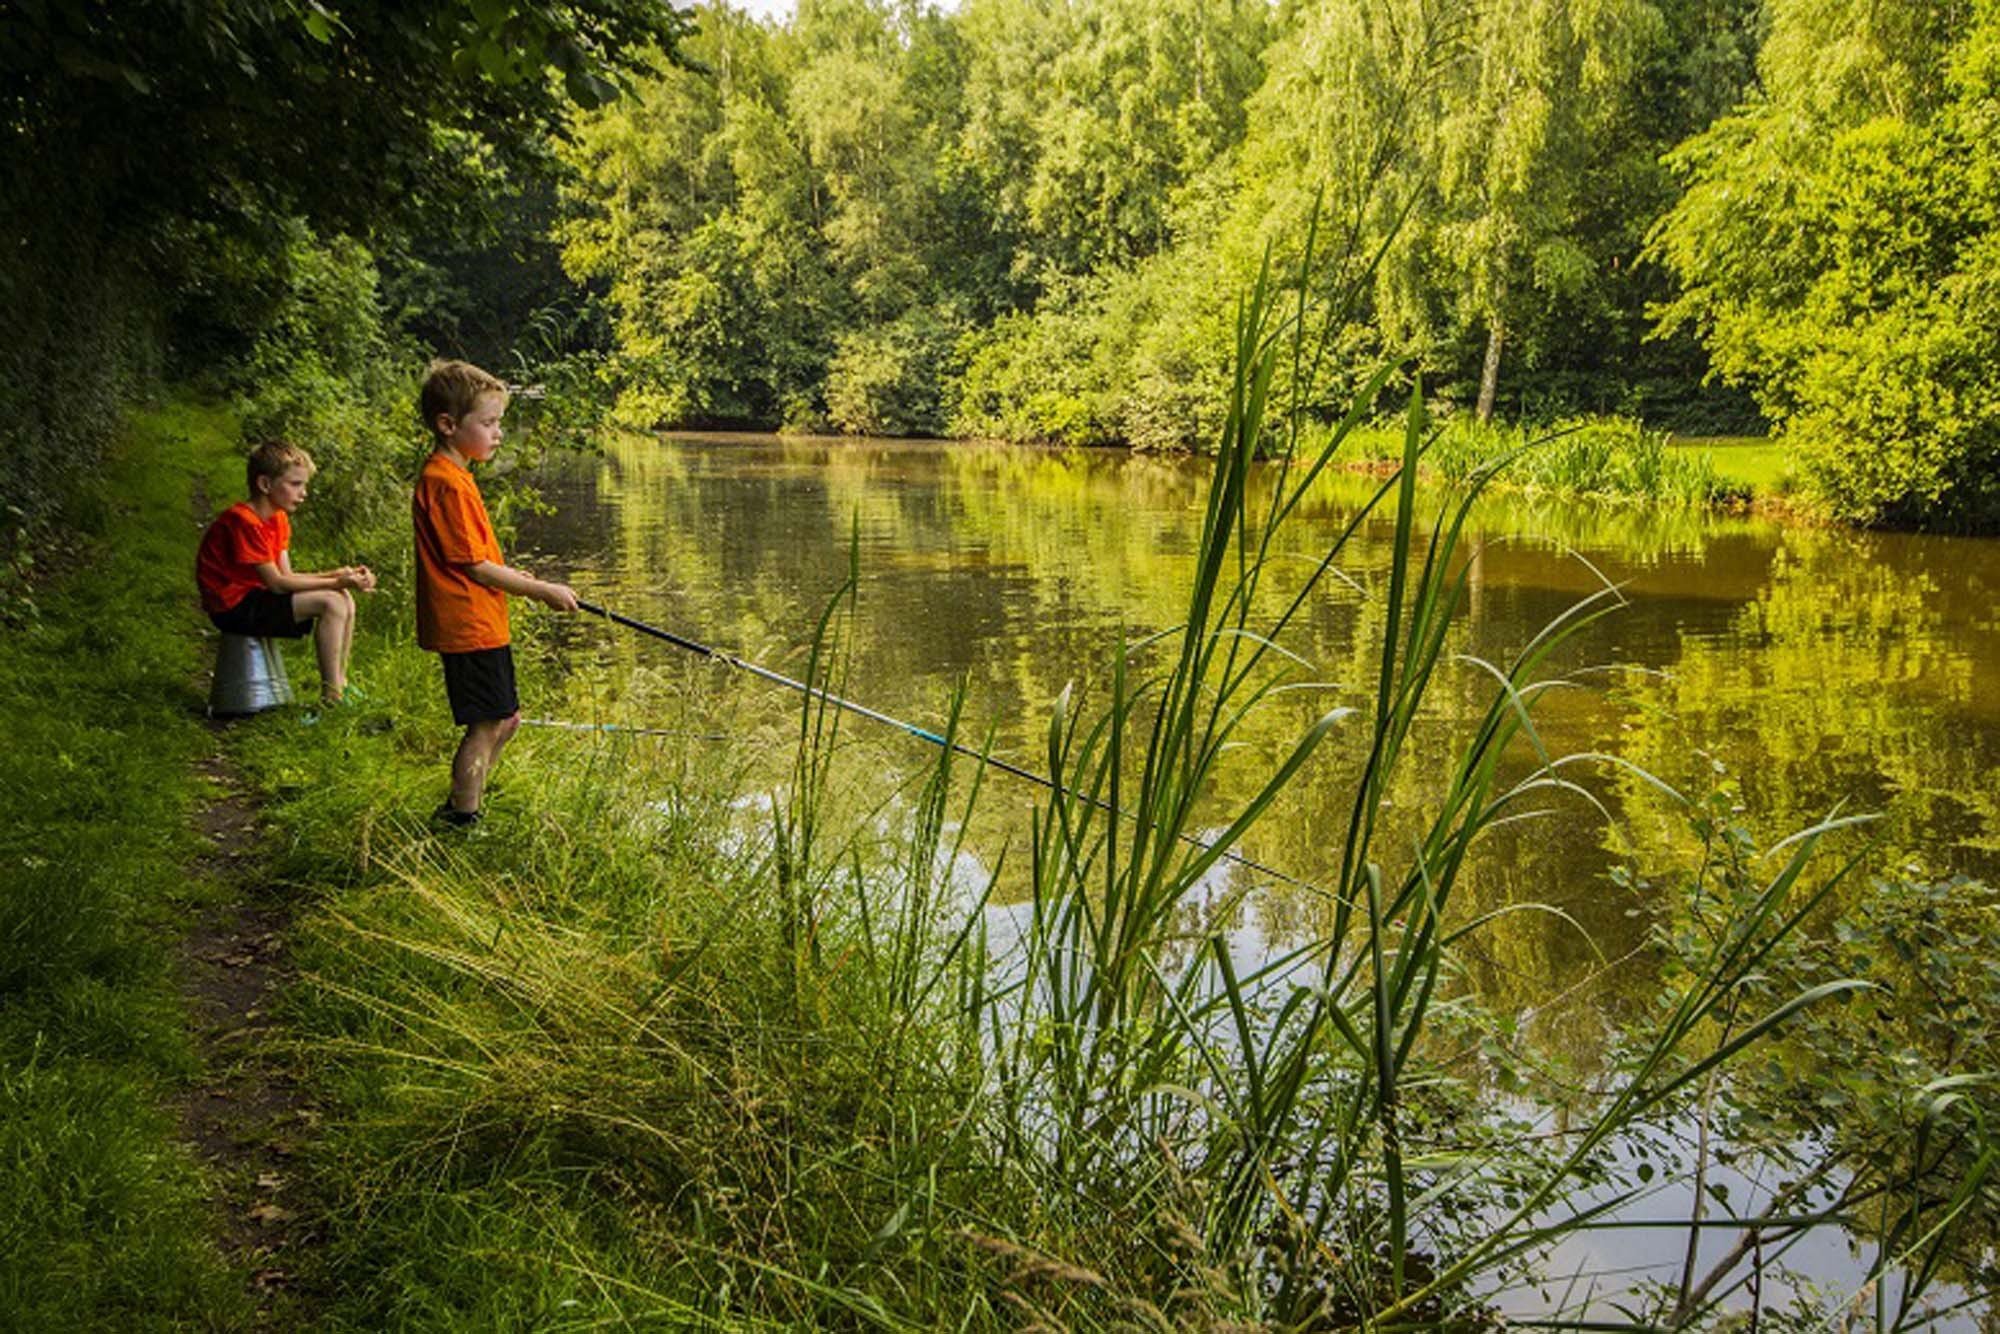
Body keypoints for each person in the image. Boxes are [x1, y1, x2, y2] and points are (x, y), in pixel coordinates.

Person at [413, 359, 579, 828]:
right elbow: (473, 567)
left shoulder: (457, 477)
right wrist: (539, 588)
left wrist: (514, 574)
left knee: (506, 720)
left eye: (498, 422)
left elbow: (472, 556)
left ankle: (470, 796)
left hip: (481, 621)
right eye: (487, 423)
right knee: (488, 724)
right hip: (468, 625)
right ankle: (460, 819)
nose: (498, 433)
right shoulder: (446, 483)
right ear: (448, 425)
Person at [196, 441, 377, 704]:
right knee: (331, 602)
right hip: (231, 607)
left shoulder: (277, 518)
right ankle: (332, 696)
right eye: (295, 484)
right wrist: (338, 579)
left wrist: (339, 576)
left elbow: (287, 576)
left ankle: (340, 683)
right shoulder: (244, 522)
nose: (303, 493)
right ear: (265, 485)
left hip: (254, 596)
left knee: (342, 597)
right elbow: (278, 584)